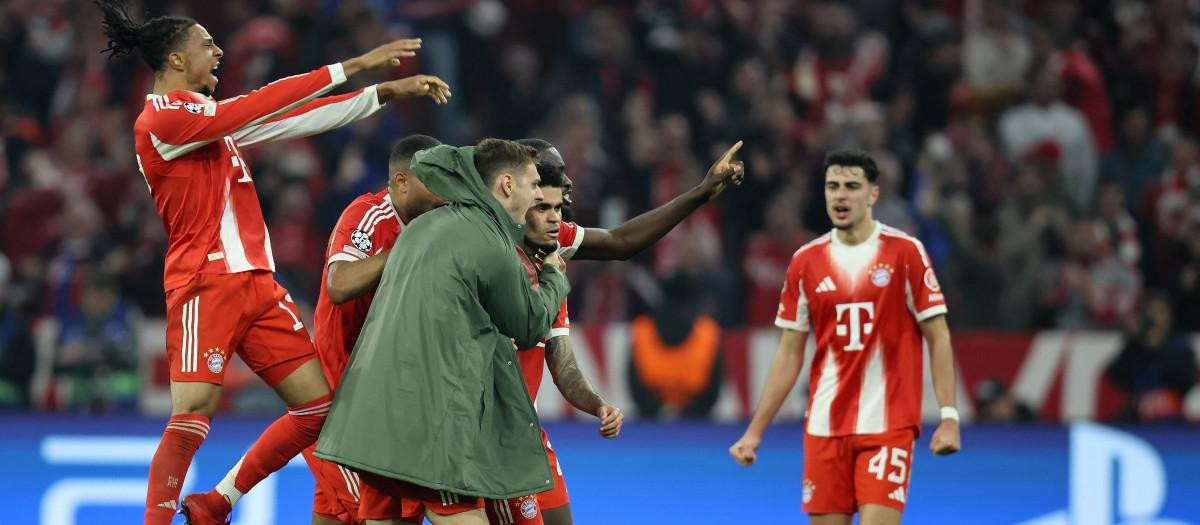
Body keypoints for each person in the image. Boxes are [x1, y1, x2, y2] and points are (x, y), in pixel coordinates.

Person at [93, 2, 450, 523]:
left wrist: (382, 94)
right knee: (192, 414)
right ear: (174, 60)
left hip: (259, 285)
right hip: (205, 282)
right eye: (206, 44)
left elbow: (291, 118)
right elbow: (256, 106)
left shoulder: (209, 124)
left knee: (317, 411)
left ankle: (217, 503)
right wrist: (353, 66)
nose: (218, 51)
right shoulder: (164, 118)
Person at [314, 139, 570, 525]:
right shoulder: (486, 240)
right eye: (534, 185)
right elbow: (530, 324)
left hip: (377, 413)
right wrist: (553, 276)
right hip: (430, 418)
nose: (539, 194)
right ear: (506, 185)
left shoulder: (425, 227)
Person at [729, 149, 961, 525]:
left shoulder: (906, 253)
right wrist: (755, 431)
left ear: (873, 194)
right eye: (833, 186)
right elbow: (789, 353)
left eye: (852, 186)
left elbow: (938, 336)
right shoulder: (805, 261)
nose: (841, 195)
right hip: (824, 426)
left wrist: (949, 415)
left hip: (888, 427)